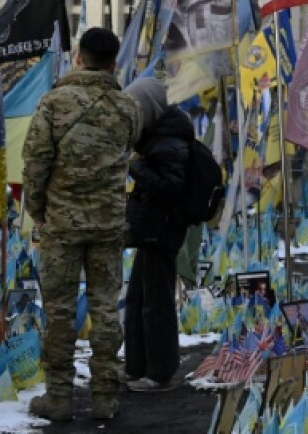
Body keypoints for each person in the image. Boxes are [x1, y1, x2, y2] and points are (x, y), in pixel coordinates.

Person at [22, 28, 140, 422]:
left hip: (62, 224)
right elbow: (129, 148)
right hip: (107, 223)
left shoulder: (53, 103)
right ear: (114, 62)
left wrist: (38, 210)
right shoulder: (127, 107)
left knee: (59, 310)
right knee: (106, 308)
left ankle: (58, 397)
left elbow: (36, 164)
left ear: (78, 56)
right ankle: (105, 396)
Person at [122, 77, 190, 393]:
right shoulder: (157, 138)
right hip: (150, 228)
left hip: (161, 230)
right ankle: (137, 366)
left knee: (156, 302)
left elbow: (171, 188)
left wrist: (136, 168)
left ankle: (159, 372)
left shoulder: (170, 142)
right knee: (138, 298)